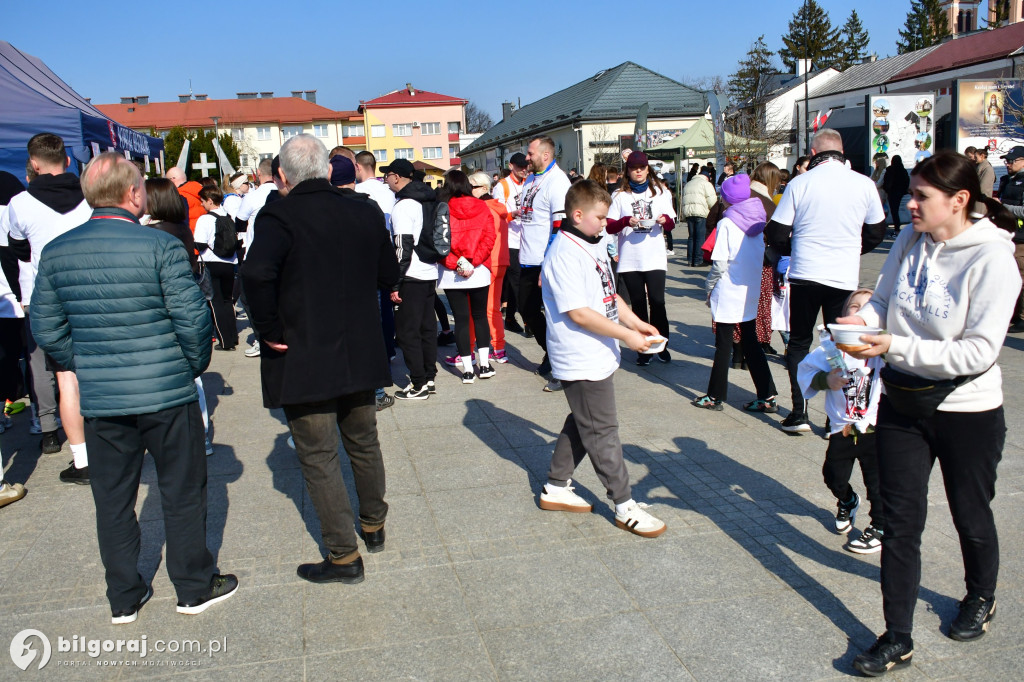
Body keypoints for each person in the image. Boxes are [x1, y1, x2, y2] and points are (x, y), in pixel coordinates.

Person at [32, 152, 237, 623]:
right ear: (133, 194)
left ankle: (124, 594)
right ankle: (193, 585)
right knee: (183, 490)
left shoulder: (58, 251)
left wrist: (84, 363)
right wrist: (188, 365)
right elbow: (192, 320)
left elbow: (46, 329)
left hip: (104, 399)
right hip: (166, 391)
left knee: (113, 498)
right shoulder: (160, 247)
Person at [836, 152, 1019, 676]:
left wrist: (892, 344)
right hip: (902, 402)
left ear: (960, 201)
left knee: (970, 511)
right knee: (900, 524)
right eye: (909, 193)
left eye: (921, 197)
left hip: (967, 408)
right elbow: (884, 300)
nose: (908, 204)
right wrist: (859, 322)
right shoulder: (912, 240)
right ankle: (897, 637)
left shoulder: (992, 259)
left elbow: (978, 353)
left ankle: (979, 597)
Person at [242, 134, 398, 583]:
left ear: (283, 177)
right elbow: (389, 273)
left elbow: (255, 273)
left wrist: (269, 330)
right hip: (358, 347)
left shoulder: (280, 214)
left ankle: (344, 555)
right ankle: (373, 525)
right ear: (328, 171)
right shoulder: (363, 210)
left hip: (305, 351)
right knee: (363, 441)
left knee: (319, 454)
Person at [536, 180, 666, 538]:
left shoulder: (591, 243)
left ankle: (556, 485)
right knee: (603, 431)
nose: (606, 223)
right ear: (577, 215)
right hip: (580, 356)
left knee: (584, 421)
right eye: (600, 217)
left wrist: (637, 322)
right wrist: (628, 336)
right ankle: (624, 505)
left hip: (598, 353)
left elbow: (608, 293)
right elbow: (578, 312)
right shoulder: (564, 253)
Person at [764, 129, 886, 433]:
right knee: (842, 344)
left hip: (806, 272)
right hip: (844, 276)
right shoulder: (864, 183)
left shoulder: (800, 183)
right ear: (842, 151)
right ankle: (838, 415)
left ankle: (799, 412)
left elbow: (777, 233)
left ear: (813, 151)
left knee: (799, 342)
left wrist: (798, 246)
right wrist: (853, 248)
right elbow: (876, 231)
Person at [5, 133, 92, 477]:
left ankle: (76, 453)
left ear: (34, 164)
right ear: (67, 160)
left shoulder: (20, 204)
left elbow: (18, 250)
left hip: (49, 294)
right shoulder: (90, 196)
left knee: (61, 375)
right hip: (91, 292)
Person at [797, 289, 886, 554]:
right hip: (842, 428)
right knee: (833, 476)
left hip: (873, 428)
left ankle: (880, 525)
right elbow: (806, 371)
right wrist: (827, 380)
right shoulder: (830, 349)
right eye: (854, 307)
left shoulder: (883, 351)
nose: (859, 312)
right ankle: (847, 499)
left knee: (878, 482)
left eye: (868, 309)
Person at [692, 174, 777, 412]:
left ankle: (714, 396)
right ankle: (767, 395)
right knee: (751, 343)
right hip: (750, 288)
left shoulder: (727, 223)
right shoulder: (757, 220)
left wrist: (708, 287)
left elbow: (719, 264)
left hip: (729, 288)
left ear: (727, 199)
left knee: (724, 344)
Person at [145, 179, 216, 456]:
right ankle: (202, 436)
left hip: (164, 311)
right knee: (192, 378)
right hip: (186, 305)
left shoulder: (153, 234)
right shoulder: (182, 229)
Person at [606, 151, 675, 365]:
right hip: (629, 258)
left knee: (657, 301)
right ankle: (643, 348)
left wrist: (664, 221)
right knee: (637, 305)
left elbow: (672, 222)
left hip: (653, 257)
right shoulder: (619, 195)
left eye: (642, 167)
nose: (638, 171)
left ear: (648, 168)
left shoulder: (661, 192)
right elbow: (609, 226)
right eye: (634, 167)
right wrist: (626, 221)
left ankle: (661, 344)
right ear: (627, 170)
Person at [519, 136, 572, 391]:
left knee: (556, 317)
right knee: (527, 310)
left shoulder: (558, 182)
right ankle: (551, 354)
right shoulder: (530, 179)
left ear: (546, 155)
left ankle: (563, 370)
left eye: (530, 154)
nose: (526, 158)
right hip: (527, 259)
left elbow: (560, 227)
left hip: (545, 260)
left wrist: (548, 263)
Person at [385, 158, 440, 400]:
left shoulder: (404, 205)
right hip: (429, 271)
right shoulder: (428, 199)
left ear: (397, 177)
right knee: (427, 329)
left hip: (411, 275)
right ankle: (428, 378)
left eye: (387, 175)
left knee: (407, 333)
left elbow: (402, 248)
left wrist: (395, 283)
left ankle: (418, 384)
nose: (386, 179)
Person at [437, 171, 497, 382]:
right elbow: (490, 238)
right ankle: (485, 364)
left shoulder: (442, 208)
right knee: (480, 316)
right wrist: (474, 262)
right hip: (478, 270)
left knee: (461, 320)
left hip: (452, 273)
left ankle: (467, 369)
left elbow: (439, 242)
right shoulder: (482, 206)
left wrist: (457, 264)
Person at [235, 159, 277, 358]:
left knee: (249, 298)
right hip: (277, 253)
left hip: (255, 254)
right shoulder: (281, 194)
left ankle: (262, 338)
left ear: (259, 173)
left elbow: (239, 223)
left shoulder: (252, 197)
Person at [470, 171, 511, 363]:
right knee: (492, 308)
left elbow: (484, 237)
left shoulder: (484, 208)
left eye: (473, 187)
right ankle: (499, 347)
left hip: (488, 261)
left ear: (484, 188)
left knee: (479, 308)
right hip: (501, 260)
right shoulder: (498, 207)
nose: (470, 190)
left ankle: (472, 348)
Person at [195, 185, 240, 352]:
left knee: (216, 303)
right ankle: (233, 336)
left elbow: (199, 242)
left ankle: (225, 341)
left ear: (209, 200)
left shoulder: (205, 219)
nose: (201, 204)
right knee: (228, 301)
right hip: (229, 263)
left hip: (211, 263)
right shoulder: (228, 217)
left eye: (202, 201)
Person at [493, 153, 529, 334]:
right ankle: (528, 319)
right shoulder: (502, 186)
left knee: (521, 279)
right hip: (510, 240)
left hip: (528, 239)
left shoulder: (529, 183)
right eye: (520, 166)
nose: (524, 170)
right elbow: (497, 215)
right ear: (511, 165)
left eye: (526, 166)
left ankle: (509, 317)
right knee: (516, 280)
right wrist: (512, 214)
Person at [995, 146, 1024, 333]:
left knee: (1021, 278)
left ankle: (1022, 317)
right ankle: (1012, 314)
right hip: (1007, 235)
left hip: (1021, 239)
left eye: (1011, 161)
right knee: (1007, 277)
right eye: (1006, 161)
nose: (1007, 164)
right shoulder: (1007, 180)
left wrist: (1004, 207)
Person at [682, 167, 718, 267]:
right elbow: (712, 201)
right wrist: (714, 211)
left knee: (691, 237)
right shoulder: (706, 184)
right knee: (700, 237)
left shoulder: (689, 183)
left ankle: (690, 260)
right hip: (701, 213)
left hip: (689, 213)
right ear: (707, 177)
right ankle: (698, 260)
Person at [165, 166, 205, 233]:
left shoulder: (178, 196)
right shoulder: (200, 190)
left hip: (189, 234)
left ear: (172, 179)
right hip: (204, 232)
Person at [882, 155, 910, 235]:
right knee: (895, 210)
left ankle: (896, 228)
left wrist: (887, 189)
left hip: (892, 192)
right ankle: (897, 228)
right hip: (900, 193)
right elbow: (906, 181)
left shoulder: (890, 170)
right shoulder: (903, 170)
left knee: (893, 211)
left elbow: (886, 181)